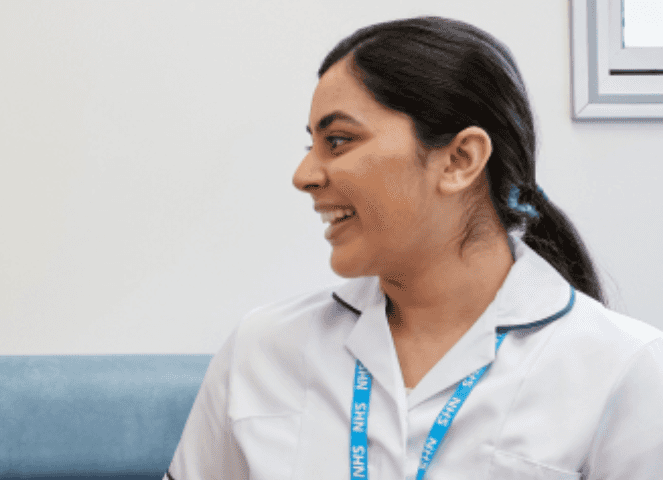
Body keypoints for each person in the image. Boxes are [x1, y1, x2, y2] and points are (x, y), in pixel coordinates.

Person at [165, 16, 663, 479]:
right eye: (310, 146)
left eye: (337, 141)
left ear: (460, 160)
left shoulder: (626, 369)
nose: (305, 176)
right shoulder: (262, 351)